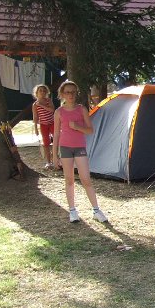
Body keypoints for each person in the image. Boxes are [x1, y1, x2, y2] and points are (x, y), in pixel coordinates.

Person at [51, 80, 107, 223]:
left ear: (76, 93)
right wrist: (54, 155)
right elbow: (56, 134)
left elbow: (90, 130)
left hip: (79, 148)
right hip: (65, 148)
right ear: (62, 94)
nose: (70, 95)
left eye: (73, 92)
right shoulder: (59, 112)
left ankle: (96, 210)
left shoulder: (81, 109)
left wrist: (77, 127)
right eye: (67, 92)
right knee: (69, 179)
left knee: (85, 179)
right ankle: (72, 211)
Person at [31, 83, 55, 169]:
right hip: (43, 124)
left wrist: (41, 105)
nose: (42, 92)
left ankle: (55, 158)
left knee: (56, 140)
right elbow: (35, 117)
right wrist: (36, 128)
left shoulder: (48, 100)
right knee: (46, 143)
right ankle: (48, 162)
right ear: (36, 93)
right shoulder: (35, 105)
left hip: (52, 122)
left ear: (46, 92)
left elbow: (52, 110)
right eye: (40, 91)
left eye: (44, 91)